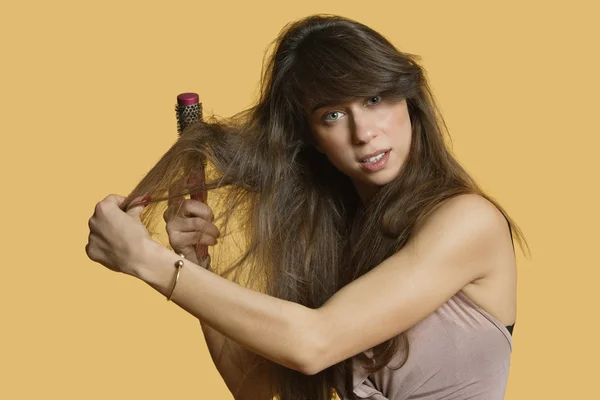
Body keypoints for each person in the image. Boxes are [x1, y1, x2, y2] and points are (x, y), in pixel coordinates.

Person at [85, 14, 529, 400]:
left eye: (374, 99)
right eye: (332, 114)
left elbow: (312, 343)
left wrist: (147, 260)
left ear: (409, 101)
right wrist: (194, 265)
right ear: (312, 139)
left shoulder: (468, 222)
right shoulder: (337, 242)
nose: (364, 132)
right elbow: (257, 391)